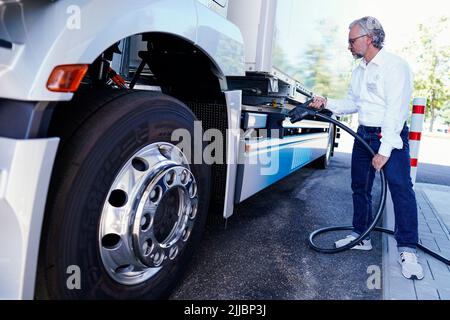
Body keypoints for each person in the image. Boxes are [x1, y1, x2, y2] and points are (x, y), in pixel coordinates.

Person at [310, 16, 424, 280]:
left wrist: (384, 151)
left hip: (390, 136)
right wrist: (327, 102)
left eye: (352, 41)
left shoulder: (395, 66)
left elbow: (396, 112)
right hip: (363, 135)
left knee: (400, 189)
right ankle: (362, 235)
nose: (348, 46)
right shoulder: (360, 68)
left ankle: (407, 249)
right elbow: (353, 102)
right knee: (359, 186)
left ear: (369, 39)